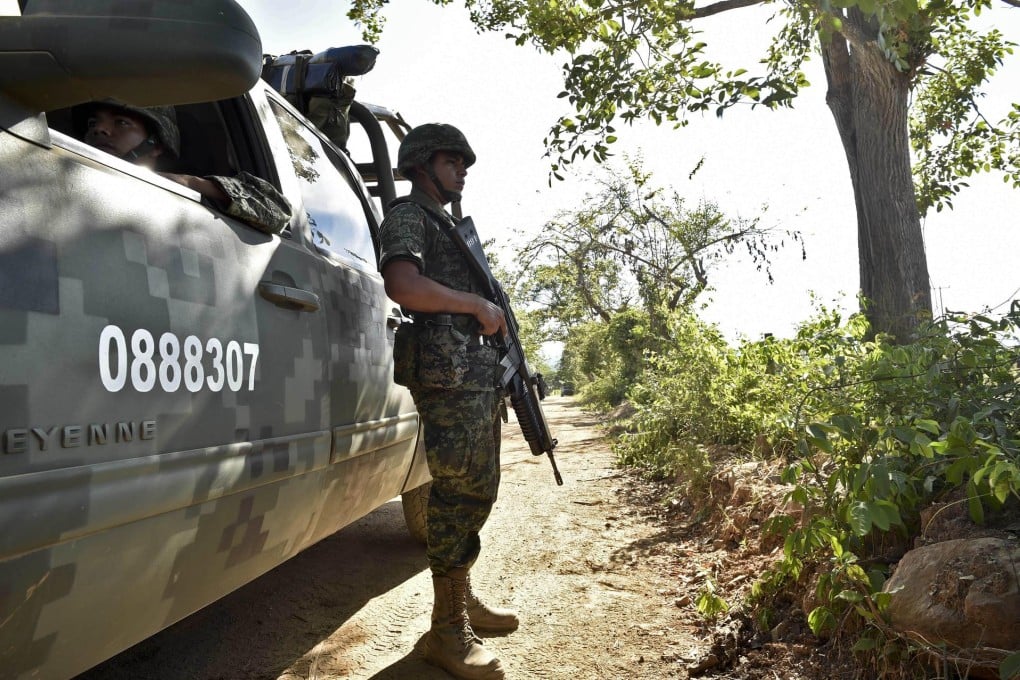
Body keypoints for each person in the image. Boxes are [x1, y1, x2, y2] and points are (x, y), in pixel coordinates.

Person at [378, 124, 514, 680]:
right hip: (447, 374)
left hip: (470, 374)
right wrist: (476, 305)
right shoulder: (409, 216)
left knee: (476, 486)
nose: (462, 171)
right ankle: (446, 629)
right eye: (452, 161)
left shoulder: (447, 224)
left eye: (463, 163)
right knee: (460, 491)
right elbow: (403, 285)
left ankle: (459, 601)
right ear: (420, 165)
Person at [79, 100, 291, 234]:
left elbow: (279, 211)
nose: (99, 129)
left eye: (122, 122)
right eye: (92, 123)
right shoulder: (72, 170)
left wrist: (189, 183)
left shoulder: (192, 197)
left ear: (157, 144)